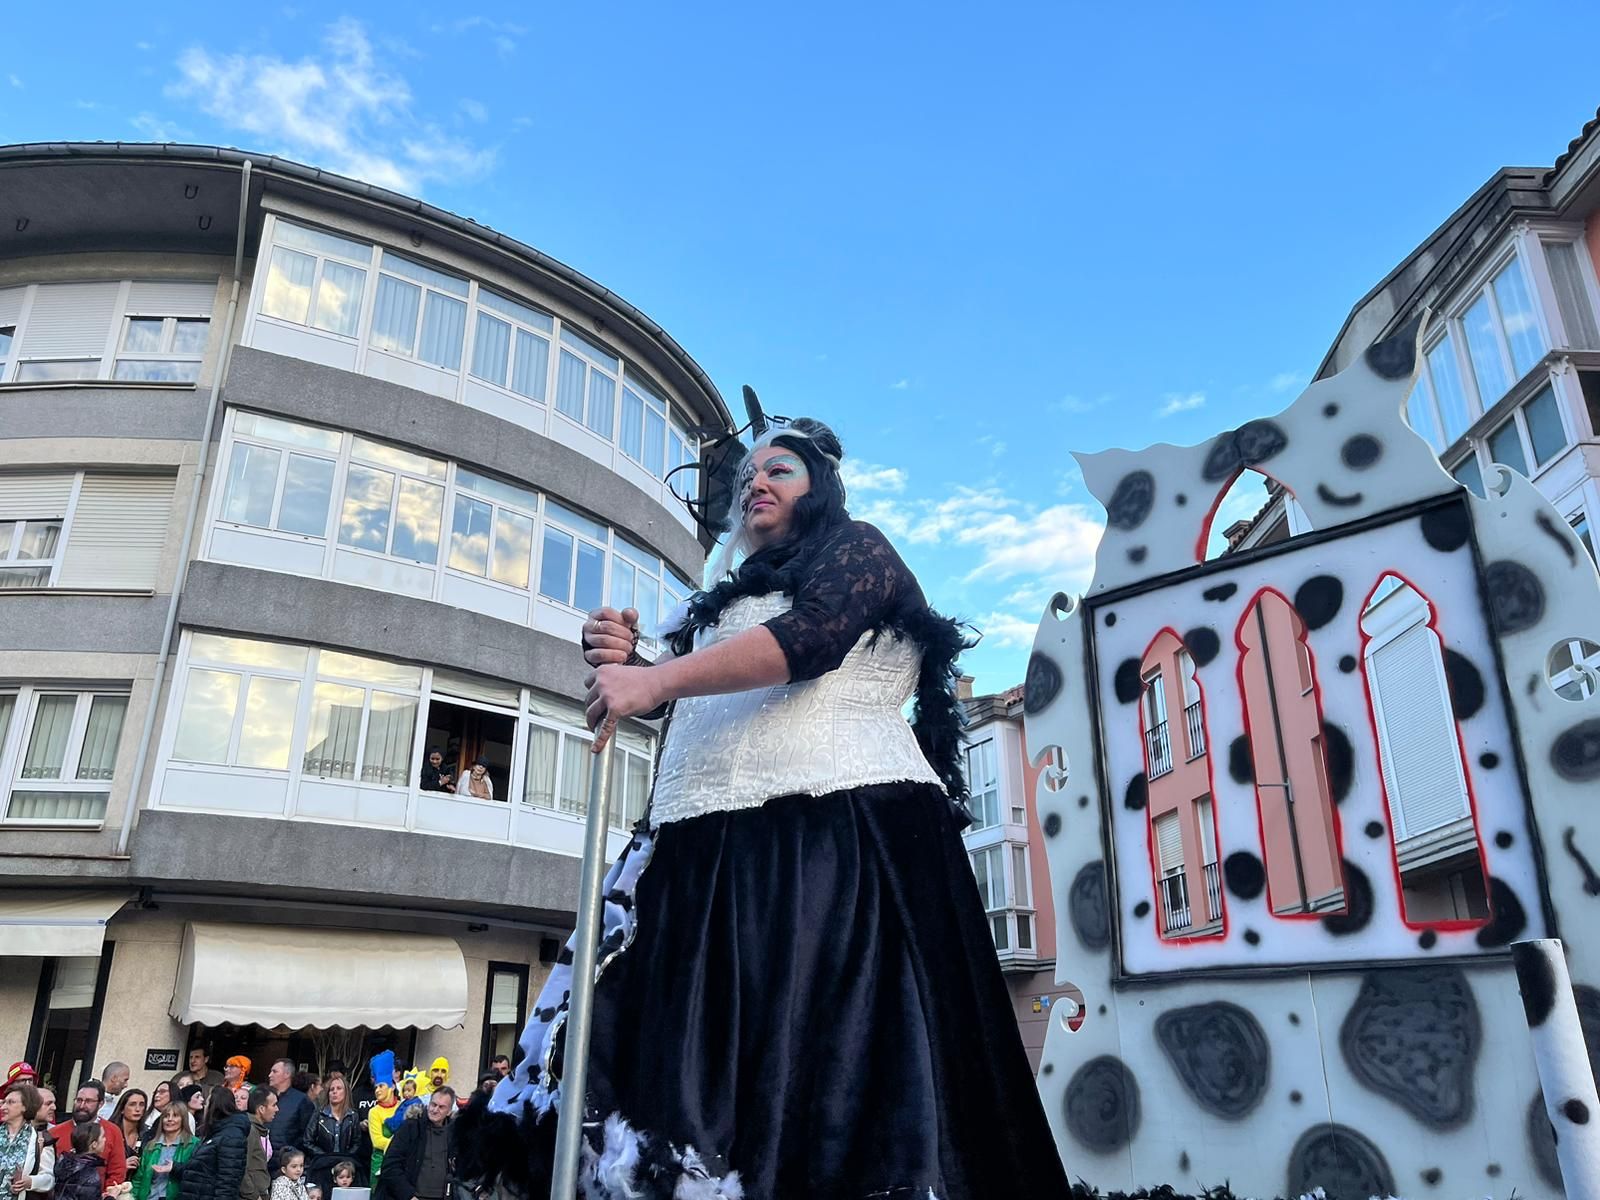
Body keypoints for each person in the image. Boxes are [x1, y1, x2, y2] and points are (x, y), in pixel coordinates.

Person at [460, 418, 1071, 1198]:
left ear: (822, 487)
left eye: (780, 468)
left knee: (824, 1094)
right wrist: (632, 666)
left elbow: (813, 638)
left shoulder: (860, 551)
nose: (758, 481)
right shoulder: (722, 601)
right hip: (693, 862)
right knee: (675, 1092)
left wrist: (654, 681)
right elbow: (693, 703)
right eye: (749, 473)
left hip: (830, 848)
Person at [376, 1091, 453, 1200]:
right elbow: (390, 1165)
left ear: (449, 1111)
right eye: (433, 1104)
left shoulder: (454, 1134)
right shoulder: (410, 1128)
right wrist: (408, 1195)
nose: (435, 1110)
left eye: (441, 1107)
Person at [50, 1080, 127, 1189]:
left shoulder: (113, 1131)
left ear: (101, 1104)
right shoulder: (55, 1132)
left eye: (89, 1101)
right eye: (79, 1100)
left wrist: (107, 1195)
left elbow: (117, 1172)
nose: (82, 1105)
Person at [180, 1088, 250, 1200]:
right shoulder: (215, 1132)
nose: (204, 1107)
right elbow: (202, 1169)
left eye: (207, 1104)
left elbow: (228, 1180)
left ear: (214, 1107)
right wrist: (175, 1167)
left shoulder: (231, 1136)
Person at [301, 1075, 362, 1197]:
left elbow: (357, 1142)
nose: (334, 1092)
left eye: (339, 1088)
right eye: (332, 1089)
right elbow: (307, 1141)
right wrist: (325, 1156)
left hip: (345, 1167)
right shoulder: (319, 1113)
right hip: (322, 1164)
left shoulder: (353, 1116)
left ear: (346, 1093)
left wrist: (345, 1158)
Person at [131, 1102, 197, 1200]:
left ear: (183, 1119)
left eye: (175, 1116)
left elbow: (197, 1177)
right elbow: (138, 1179)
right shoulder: (151, 1145)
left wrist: (175, 1168)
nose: (169, 1119)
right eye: (166, 1116)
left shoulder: (193, 1144)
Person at [1, 1083, 55, 1198]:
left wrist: (30, 1181)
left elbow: (49, 1179)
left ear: (25, 1106)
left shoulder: (40, 1139)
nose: (3, 1107)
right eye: (4, 1102)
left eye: (10, 1102)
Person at [264, 1062, 309, 1172]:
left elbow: (306, 1134)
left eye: (274, 1071)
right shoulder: (263, 1096)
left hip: (286, 1164)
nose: (270, 1075)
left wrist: (292, 1155)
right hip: (262, 1161)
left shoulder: (301, 1100)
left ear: (287, 1074)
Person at [363, 1055, 397, 1187]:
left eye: (381, 1086)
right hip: (380, 1161)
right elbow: (377, 1141)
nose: (377, 1090)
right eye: (376, 1087)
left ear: (392, 1087)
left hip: (400, 1162)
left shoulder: (403, 1107)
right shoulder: (374, 1112)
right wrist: (399, 1145)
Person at [52, 1122, 107, 1200]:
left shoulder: (63, 1164)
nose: (105, 1139)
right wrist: (111, 1197)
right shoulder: (89, 1174)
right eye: (103, 1136)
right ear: (94, 1144)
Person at [240, 1090, 276, 1200]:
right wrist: (254, 1195)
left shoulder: (259, 1129)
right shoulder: (250, 1130)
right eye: (274, 1105)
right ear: (261, 1109)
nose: (277, 1109)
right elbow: (242, 1165)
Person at [110, 1089, 148, 1176]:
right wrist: (121, 1166)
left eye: (142, 1105)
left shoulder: (147, 1134)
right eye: (132, 1104)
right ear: (122, 1109)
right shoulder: (110, 1131)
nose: (138, 1109)